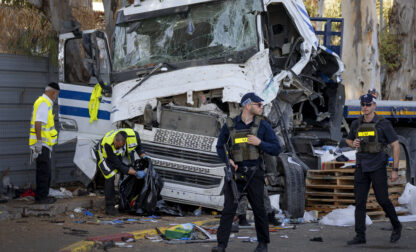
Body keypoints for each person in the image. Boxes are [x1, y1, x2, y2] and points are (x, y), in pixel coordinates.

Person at [212, 93, 281, 252]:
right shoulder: (230, 125)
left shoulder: (263, 126)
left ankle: (263, 245)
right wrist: (227, 160)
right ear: (248, 105)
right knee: (228, 210)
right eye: (259, 104)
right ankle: (221, 245)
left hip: (254, 173)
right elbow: (220, 147)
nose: (261, 107)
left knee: (259, 209)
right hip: (235, 174)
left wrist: (260, 143)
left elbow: (276, 149)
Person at [346, 94, 402, 245]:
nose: (365, 107)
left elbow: (395, 145)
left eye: (368, 104)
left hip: (377, 165)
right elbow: (349, 139)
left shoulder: (383, 124)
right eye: (363, 104)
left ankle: (397, 226)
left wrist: (394, 169)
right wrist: (353, 144)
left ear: (374, 106)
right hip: (361, 166)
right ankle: (360, 235)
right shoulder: (356, 123)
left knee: (382, 199)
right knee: (359, 202)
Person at [95, 128, 148, 215]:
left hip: (116, 154)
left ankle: (124, 202)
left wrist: (144, 156)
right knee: (110, 176)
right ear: (114, 140)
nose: (117, 146)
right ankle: (110, 207)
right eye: (116, 145)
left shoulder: (134, 136)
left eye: (119, 146)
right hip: (103, 153)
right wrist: (135, 173)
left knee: (127, 170)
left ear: (125, 142)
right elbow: (119, 165)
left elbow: (138, 147)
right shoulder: (108, 144)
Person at [29, 82, 60, 204]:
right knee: (43, 171)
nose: (56, 97)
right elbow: (38, 123)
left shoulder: (44, 102)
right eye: (56, 94)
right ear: (53, 92)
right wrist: (39, 142)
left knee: (45, 170)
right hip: (41, 144)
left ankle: (43, 195)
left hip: (43, 144)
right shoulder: (44, 103)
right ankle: (41, 197)